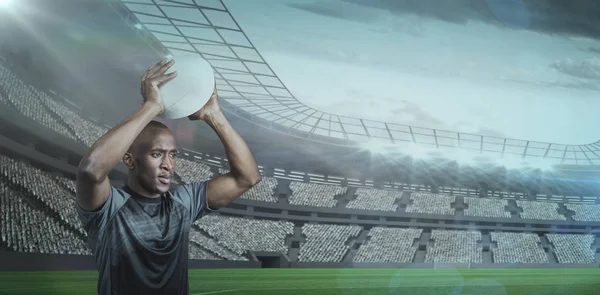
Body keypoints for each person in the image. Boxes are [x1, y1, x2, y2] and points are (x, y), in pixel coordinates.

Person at [75, 59, 261, 295]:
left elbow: (247, 178)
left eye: (173, 155)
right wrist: (152, 106)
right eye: (156, 154)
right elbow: (91, 169)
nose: (168, 165)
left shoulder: (183, 202)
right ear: (129, 159)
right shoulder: (109, 208)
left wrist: (215, 115)